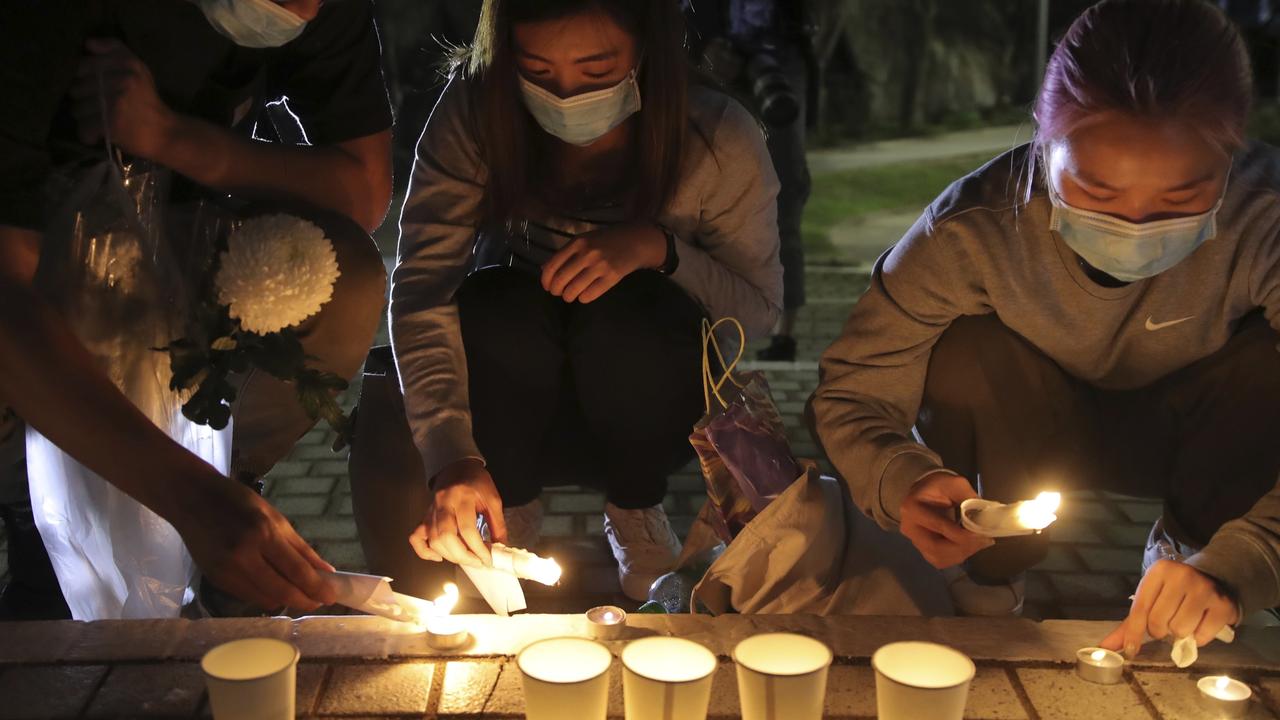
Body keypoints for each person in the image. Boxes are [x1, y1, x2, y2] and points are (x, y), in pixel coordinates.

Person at [811, 0, 1280, 656]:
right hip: (1032, 431)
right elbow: (853, 389)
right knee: (968, 349)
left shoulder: (1266, 219)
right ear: (1044, 144)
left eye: (1180, 198)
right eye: (1097, 191)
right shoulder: (975, 227)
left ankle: (1188, 561)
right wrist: (901, 478)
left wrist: (1245, 560)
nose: (1135, 227)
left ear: (1232, 153)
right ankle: (990, 578)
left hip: (1197, 430)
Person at [0, 0, 392, 618]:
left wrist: (174, 139)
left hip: (186, 231)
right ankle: (40, 520)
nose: (299, 8)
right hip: (45, 249)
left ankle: (228, 495)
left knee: (341, 270)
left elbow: (364, 190)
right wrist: (189, 498)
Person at [388, 0, 782, 601]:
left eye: (597, 71)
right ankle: (506, 510)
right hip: (511, 410)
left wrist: (660, 249)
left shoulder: (716, 139)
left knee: (631, 313)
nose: (567, 96)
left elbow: (758, 312)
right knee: (494, 303)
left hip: (651, 410)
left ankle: (635, 509)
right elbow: (422, 286)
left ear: (647, 47)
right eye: (538, 72)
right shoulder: (478, 114)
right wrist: (449, 455)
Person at [685, 0, 814, 362]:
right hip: (698, 60)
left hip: (777, 61)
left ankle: (782, 335)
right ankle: (704, 332)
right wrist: (700, 48)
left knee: (784, 201)